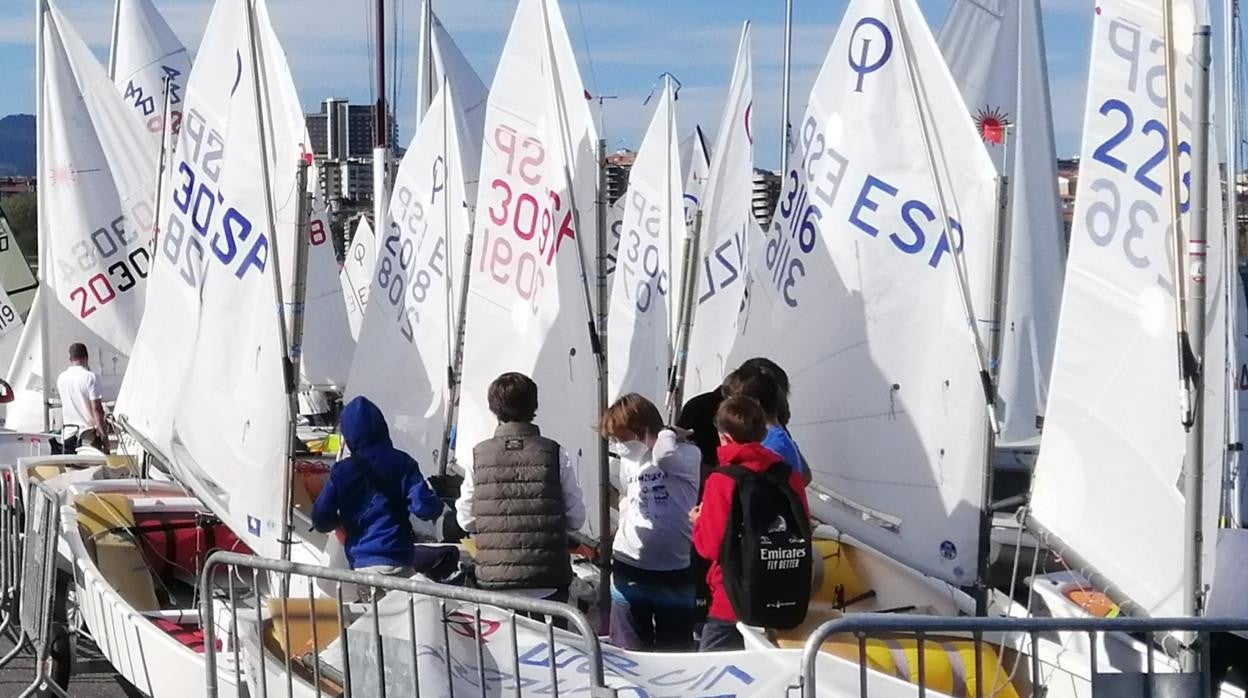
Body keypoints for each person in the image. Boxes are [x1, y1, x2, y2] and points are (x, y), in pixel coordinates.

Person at [690, 395, 809, 651]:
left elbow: (709, 547)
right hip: (783, 594)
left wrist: (699, 521)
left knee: (711, 677)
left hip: (732, 601)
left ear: (724, 437)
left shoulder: (722, 480)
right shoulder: (789, 475)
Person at [455, 372, 585, 603]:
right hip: (548, 578)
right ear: (534, 405)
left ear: (493, 407)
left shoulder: (477, 455)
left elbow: (466, 519)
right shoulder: (556, 453)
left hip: (494, 579)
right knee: (552, 639)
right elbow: (576, 518)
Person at [600, 393, 700, 650]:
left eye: (620, 438)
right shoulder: (628, 461)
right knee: (629, 652)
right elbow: (626, 497)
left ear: (642, 429)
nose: (618, 445)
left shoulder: (688, 454)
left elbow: (663, 457)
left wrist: (666, 431)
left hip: (673, 570)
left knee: (675, 652)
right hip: (629, 563)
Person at [312, 396, 443, 577]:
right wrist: (437, 505)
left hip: (361, 562)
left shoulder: (342, 471)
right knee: (409, 603)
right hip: (399, 556)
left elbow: (321, 520)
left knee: (372, 605)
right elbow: (424, 507)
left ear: (349, 436)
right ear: (382, 427)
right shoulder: (403, 463)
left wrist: (341, 521)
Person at [721, 364, 811, 485]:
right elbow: (805, 476)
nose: (728, 409)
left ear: (753, 403)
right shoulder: (781, 438)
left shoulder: (769, 449)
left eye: (732, 403)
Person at [55, 343, 108, 454]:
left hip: (68, 434)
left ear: (70, 359)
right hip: (87, 435)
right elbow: (96, 409)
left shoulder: (61, 378)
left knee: (71, 470)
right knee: (93, 469)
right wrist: (104, 437)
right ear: (86, 357)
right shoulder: (90, 377)